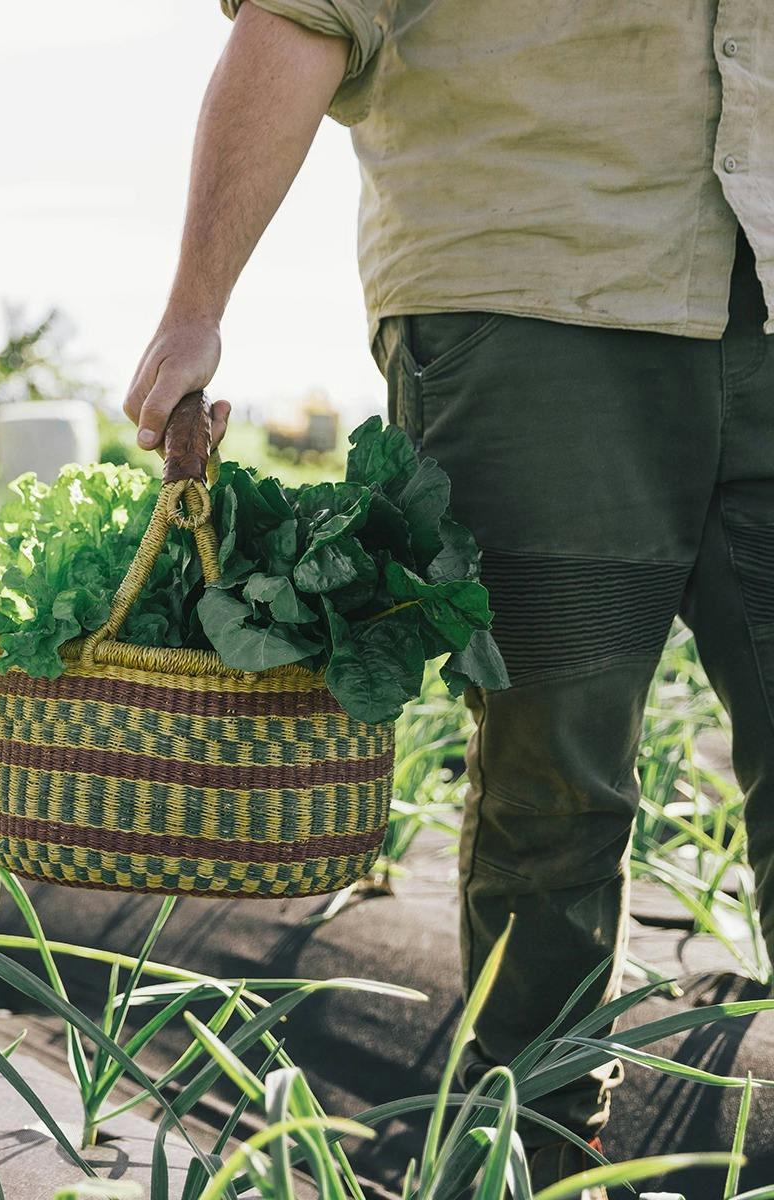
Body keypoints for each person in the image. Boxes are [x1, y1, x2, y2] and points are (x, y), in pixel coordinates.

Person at [122, 3, 774, 1193]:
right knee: (556, 769)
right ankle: (534, 1140)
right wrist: (195, 303)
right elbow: (300, 20)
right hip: (538, 305)